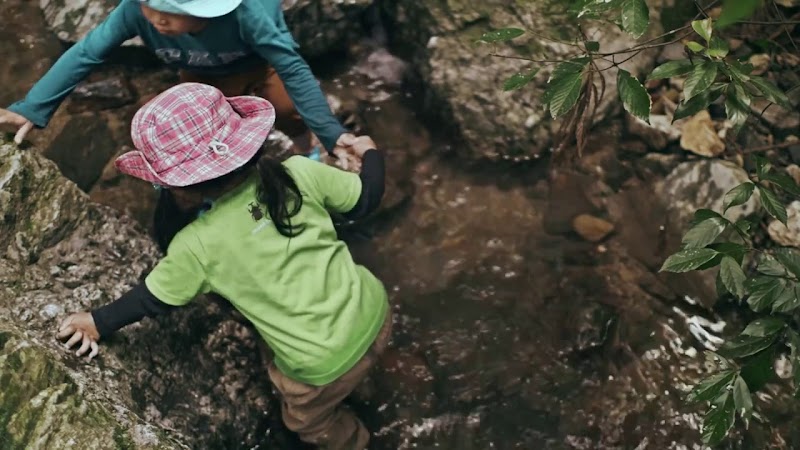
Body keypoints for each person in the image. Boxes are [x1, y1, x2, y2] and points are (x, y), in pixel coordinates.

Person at [56, 83, 390, 450]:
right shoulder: (298, 173)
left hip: (320, 364)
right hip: (373, 309)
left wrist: (96, 322)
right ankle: (370, 373)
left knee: (306, 421)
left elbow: (151, 299)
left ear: (179, 187)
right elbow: (366, 198)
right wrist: (370, 152)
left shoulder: (196, 245)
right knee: (344, 353)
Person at [0, 0, 356, 158]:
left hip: (259, 67)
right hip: (198, 72)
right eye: (148, 3)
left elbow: (292, 67)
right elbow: (86, 52)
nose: (156, 17)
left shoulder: (249, 13)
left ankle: (303, 144)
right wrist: (34, 107)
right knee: (207, 130)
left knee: (287, 109)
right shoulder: (134, 11)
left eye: (170, 10)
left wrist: (331, 134)